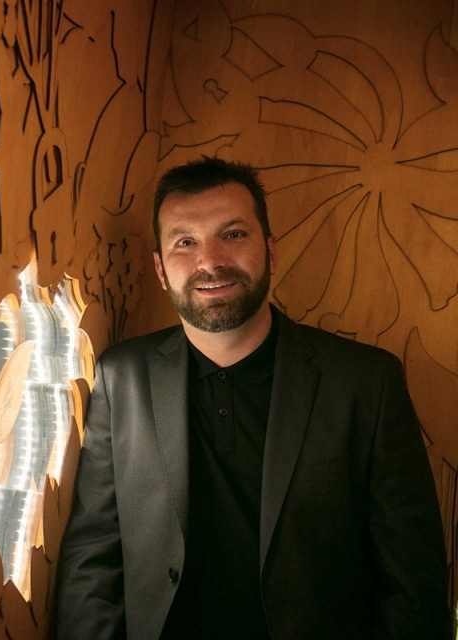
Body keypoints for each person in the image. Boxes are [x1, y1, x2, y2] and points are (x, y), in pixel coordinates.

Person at [54, 157, 451, 639]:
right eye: (185, 242)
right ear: (160, 269)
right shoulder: (121, 378)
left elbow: (414, 583)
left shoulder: (367, 382)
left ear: (270, 251)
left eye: (234, 234)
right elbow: (92, 559)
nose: (210, 261)